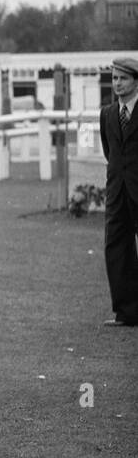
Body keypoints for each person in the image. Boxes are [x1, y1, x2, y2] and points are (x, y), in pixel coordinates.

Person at [101, 56, 138, 326]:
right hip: (117, 193)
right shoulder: (108, 114)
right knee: (116, 248)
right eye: (114, 78)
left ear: (135, 81)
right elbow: (109, 152)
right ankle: (126, 312)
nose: (117, 83)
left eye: (123, 78)